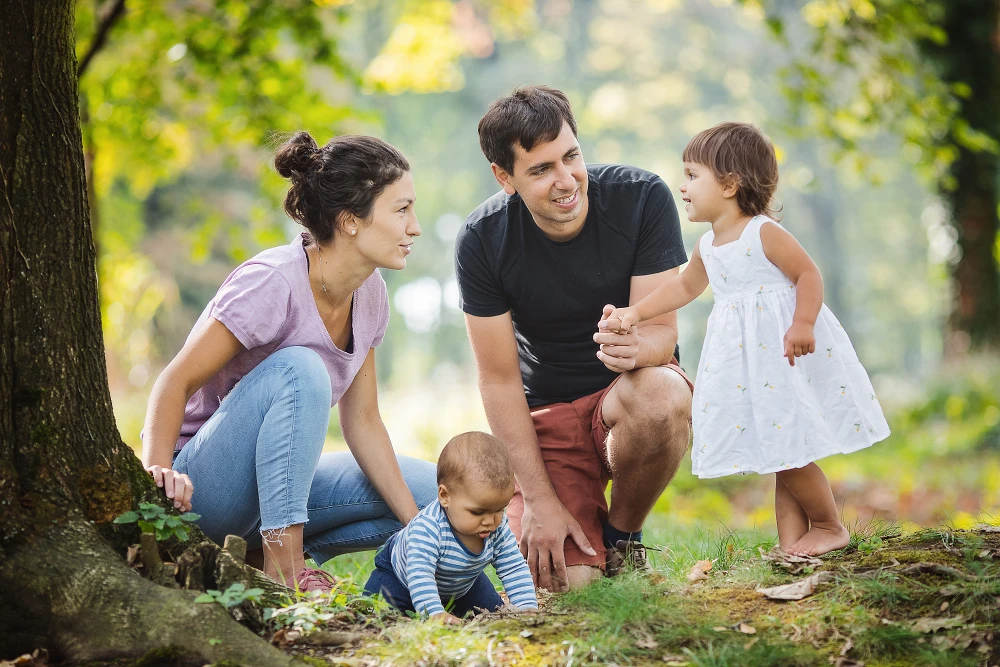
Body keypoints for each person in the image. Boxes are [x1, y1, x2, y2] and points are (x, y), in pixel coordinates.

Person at [141, 132, 438, 591]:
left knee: (433, 495)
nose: (414, 227)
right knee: (300, 368)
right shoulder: (272, 282)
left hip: (272, 490)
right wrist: (158, 476)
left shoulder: (371, 292)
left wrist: (417, 528)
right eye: (401, 210)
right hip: (203, 491)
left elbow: (362, 421)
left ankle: (258, 559)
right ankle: (287, 569)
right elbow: (174, 380)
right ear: (350, 221)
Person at [602, 122, 890, 557]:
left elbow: (807, 274)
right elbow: (683, 287)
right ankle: (792, 542)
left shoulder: (762, 233)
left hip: (781, 353)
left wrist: (803, 323)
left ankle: (829, 526)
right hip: (748, 365)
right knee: (780, 448)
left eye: (692, 175)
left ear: (730, 184)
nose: (683, 187)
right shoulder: (707, 246)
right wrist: (635, 313)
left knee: (788, 450)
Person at [455, 86, 695, 591]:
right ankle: (576, 537)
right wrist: (539, 501)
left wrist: (635, 347)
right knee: (567, 588)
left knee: (663, 395)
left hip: (627, 393)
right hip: (549, 416)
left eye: (571, 157)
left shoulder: (641, 197)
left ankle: (622, 539)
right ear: (504, 177)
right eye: (541, 169)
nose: (566, 181)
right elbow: (498, 382)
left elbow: (662, 336)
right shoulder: (481, 239)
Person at [363, 432, 537, 621]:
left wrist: (526, 607)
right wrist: (434, 613)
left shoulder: (498, 527)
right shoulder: (428, 528)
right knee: (380, 611)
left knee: (492, 613)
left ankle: (449, 606)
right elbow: (420, 574)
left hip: (461, 583)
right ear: (445, 496)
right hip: (400, 578)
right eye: (478, 512)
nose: (490, 520)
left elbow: (513, 567)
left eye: (499, 510)